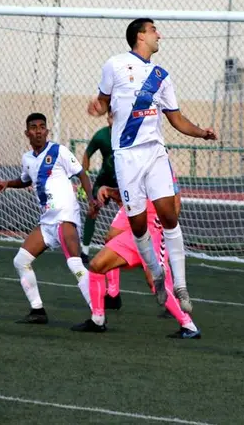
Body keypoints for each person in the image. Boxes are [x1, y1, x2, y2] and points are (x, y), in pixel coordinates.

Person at [88, 18, 217, 312]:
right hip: (127, 156)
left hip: (155, 152)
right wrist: (97, 107)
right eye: (153, 30)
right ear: (140, 36)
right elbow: (102, 101)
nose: (159, 34)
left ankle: (181, 286)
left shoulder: (161, 76)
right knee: (137, 225)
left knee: (169, 216)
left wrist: (201, 132)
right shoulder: (115, 65)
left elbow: (176, 118)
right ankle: (156, 274)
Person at [0, 113, 97, 324]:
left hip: (65, 217)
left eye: (42, 126)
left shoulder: (58, 151)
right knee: (21, 261)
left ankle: (98, 314)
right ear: (27, 133)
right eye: (34, 127)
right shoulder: (27, 159)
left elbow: (81, 173)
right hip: (47, 221)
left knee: (75, 264)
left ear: (47, 131)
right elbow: (25, 180)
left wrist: (91, 200)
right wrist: (8, 183)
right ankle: (38, 310)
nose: (38, 130)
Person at [71, 184, 201, 339]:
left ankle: (188, 325)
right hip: (135, 229)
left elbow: (175, 198)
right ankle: (98, 318)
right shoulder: (128, 164)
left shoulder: (159, 166)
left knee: (155, 282)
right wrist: (108, 191)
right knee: (96, 265)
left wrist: (164, 228)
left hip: (152, 230)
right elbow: (127, 194)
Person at [80, 108, 118, 266]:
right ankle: (84, 251)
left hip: (124, 182)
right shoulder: (101, 135)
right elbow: (87, 154)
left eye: (116, 116)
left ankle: (139, 251)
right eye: (110, 117)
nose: (113, 119)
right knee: (92, 210)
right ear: (107, 118)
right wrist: (84, 178)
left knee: (134, 215)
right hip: (104, 180)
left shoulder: (129, 135)